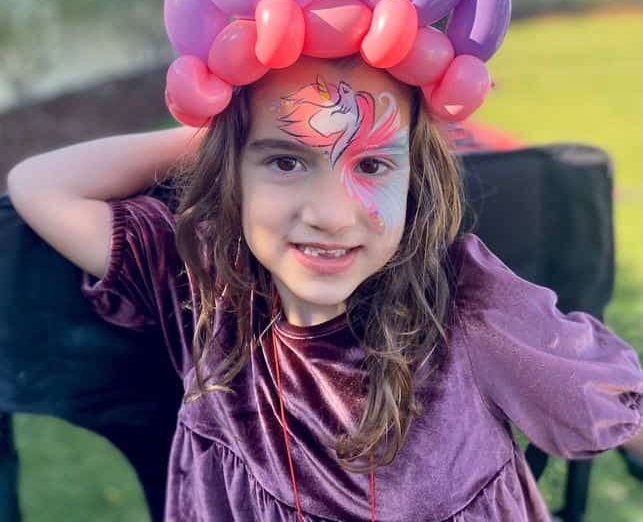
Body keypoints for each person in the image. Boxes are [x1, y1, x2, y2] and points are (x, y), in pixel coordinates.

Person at [7, 42, 643, 522]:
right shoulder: (199, 281)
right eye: (286, 160)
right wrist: (212, 135)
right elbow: (41, 185)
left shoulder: (464, 299)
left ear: (413, 182)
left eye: (371, 164)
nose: (332, 214)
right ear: (231, 174)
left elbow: (602, 400)